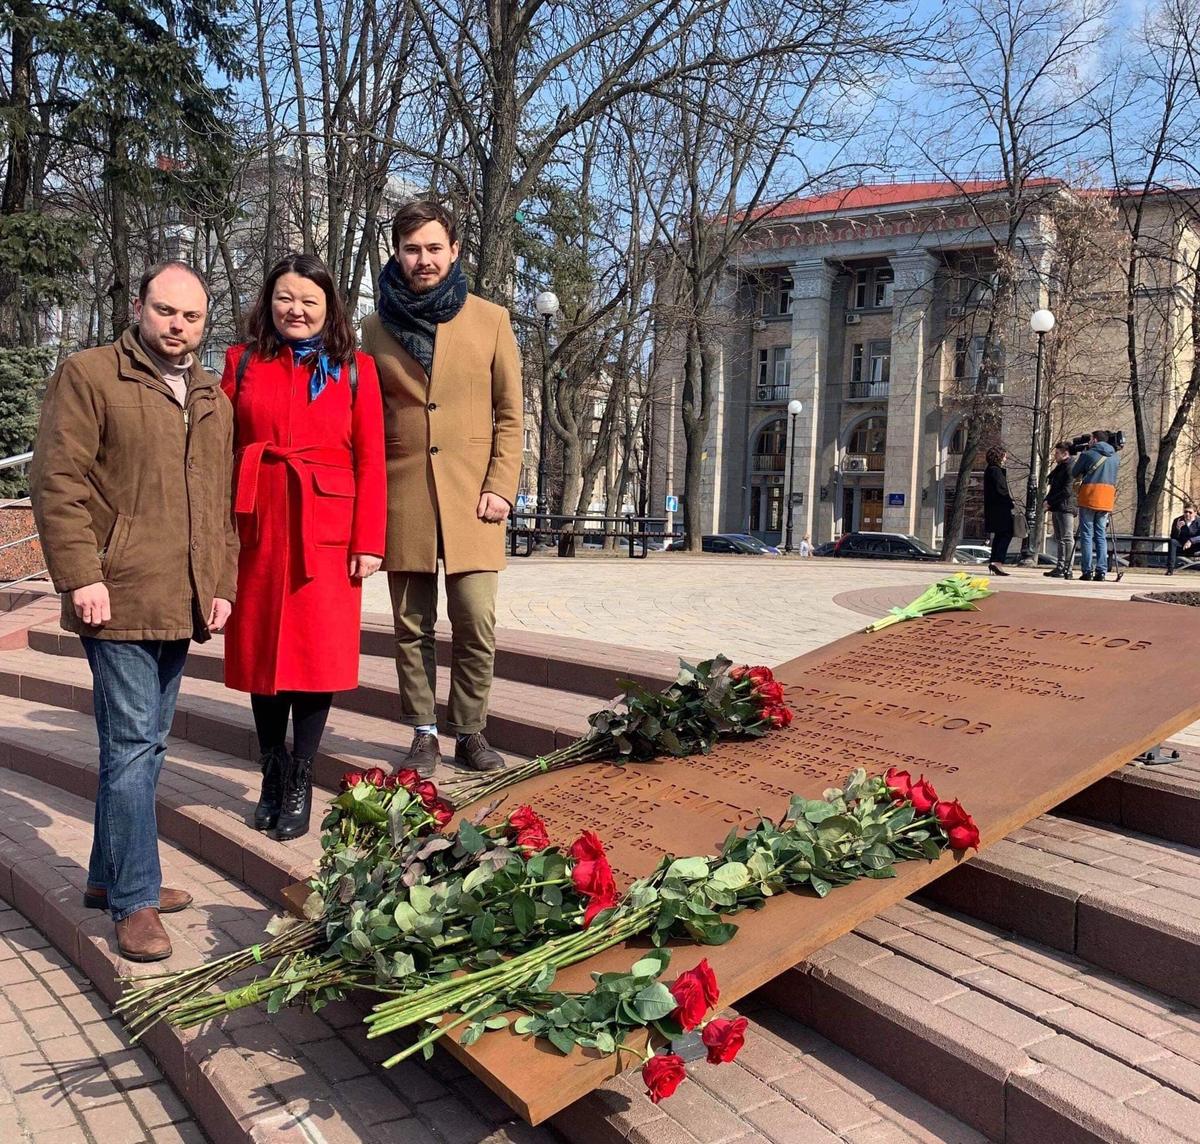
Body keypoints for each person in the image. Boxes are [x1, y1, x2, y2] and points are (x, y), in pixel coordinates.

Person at [30, 261, 238, 962]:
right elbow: (56, 481)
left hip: (180, 600)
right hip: (113, 597)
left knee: (144, 744)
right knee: (133, 744)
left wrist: (221, 582)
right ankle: (135, 901)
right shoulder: (89, 376)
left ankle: (105, 876)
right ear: (139, 307)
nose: (177, 327)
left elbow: (219, 505)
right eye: (165, 311)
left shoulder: (212, 394)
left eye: (192, 317)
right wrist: (80, 574)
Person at [221, 253, 386, 841]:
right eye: (285, 298)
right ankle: (271, 771)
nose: (296, 309)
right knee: (265, 655)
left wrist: (369, 540)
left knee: (315, 661)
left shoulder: (356, 369)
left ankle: (301, 777)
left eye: (309, 301)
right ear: (269, 301)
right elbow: (221, 445)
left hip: (328, 531)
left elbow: (371, 457)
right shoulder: (241, 362)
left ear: (329, 308)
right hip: (259, 523)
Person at [362, 201, 522, 775]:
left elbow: (511, 412)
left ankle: (471, 730)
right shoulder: (375, 326)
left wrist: (502, 484)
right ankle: (423, 732)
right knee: (411, 626)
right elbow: (366, 416)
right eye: (412, 249)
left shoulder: (491, 319)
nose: (423, 259)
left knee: (476, 620)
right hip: (403, 491)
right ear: (398, 254)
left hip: (475, 497)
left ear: (454, 251)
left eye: (433, 248)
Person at [1072, 430, 1120, 582]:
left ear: (1094, 439)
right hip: (1106, 498)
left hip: (1089, 495)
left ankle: (1087, 570)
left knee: (1087, 534)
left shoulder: (1087, 455)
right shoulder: (1115, 457)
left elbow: (1074, 472)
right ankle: (1102, 571)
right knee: (1101, 535)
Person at [1043, 441, 1077, 580]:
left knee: (1067, 538)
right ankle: (1060, 566)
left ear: (1065, 453)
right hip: (1058, 506)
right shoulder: (1060, 467)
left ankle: (1067, 567)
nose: (1055, 456)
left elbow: (1067, 490)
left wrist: (1050, 501)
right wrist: (1047, 500)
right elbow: (1054, 487)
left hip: (1066, 507)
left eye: (1057, 453)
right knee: (1060, 538)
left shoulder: (1070, 467)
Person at [982, 446, 1014, 577]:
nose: (1006, 458)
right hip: (1000, 508)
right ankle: (997, 561)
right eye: (1004, 456)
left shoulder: (990, 470)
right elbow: (1002, 490)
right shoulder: (995, 471)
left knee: (1000, 534)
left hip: (994, 508)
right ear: (999, 456)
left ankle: (995, 561)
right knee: (1006, 533)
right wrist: (1011, 503)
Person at [1167, 505, 1200, 575]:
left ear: (1195, 513)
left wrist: (1191, 541)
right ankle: (1170, 569)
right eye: (1185, 512)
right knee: (1172, 541)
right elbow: (1173, 536)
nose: (1187, 514)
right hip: (1182, 546)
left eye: (1190, 512)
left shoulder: (1199, 521)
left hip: (1195, 546)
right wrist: (1178, 529)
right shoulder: (1178, 520)